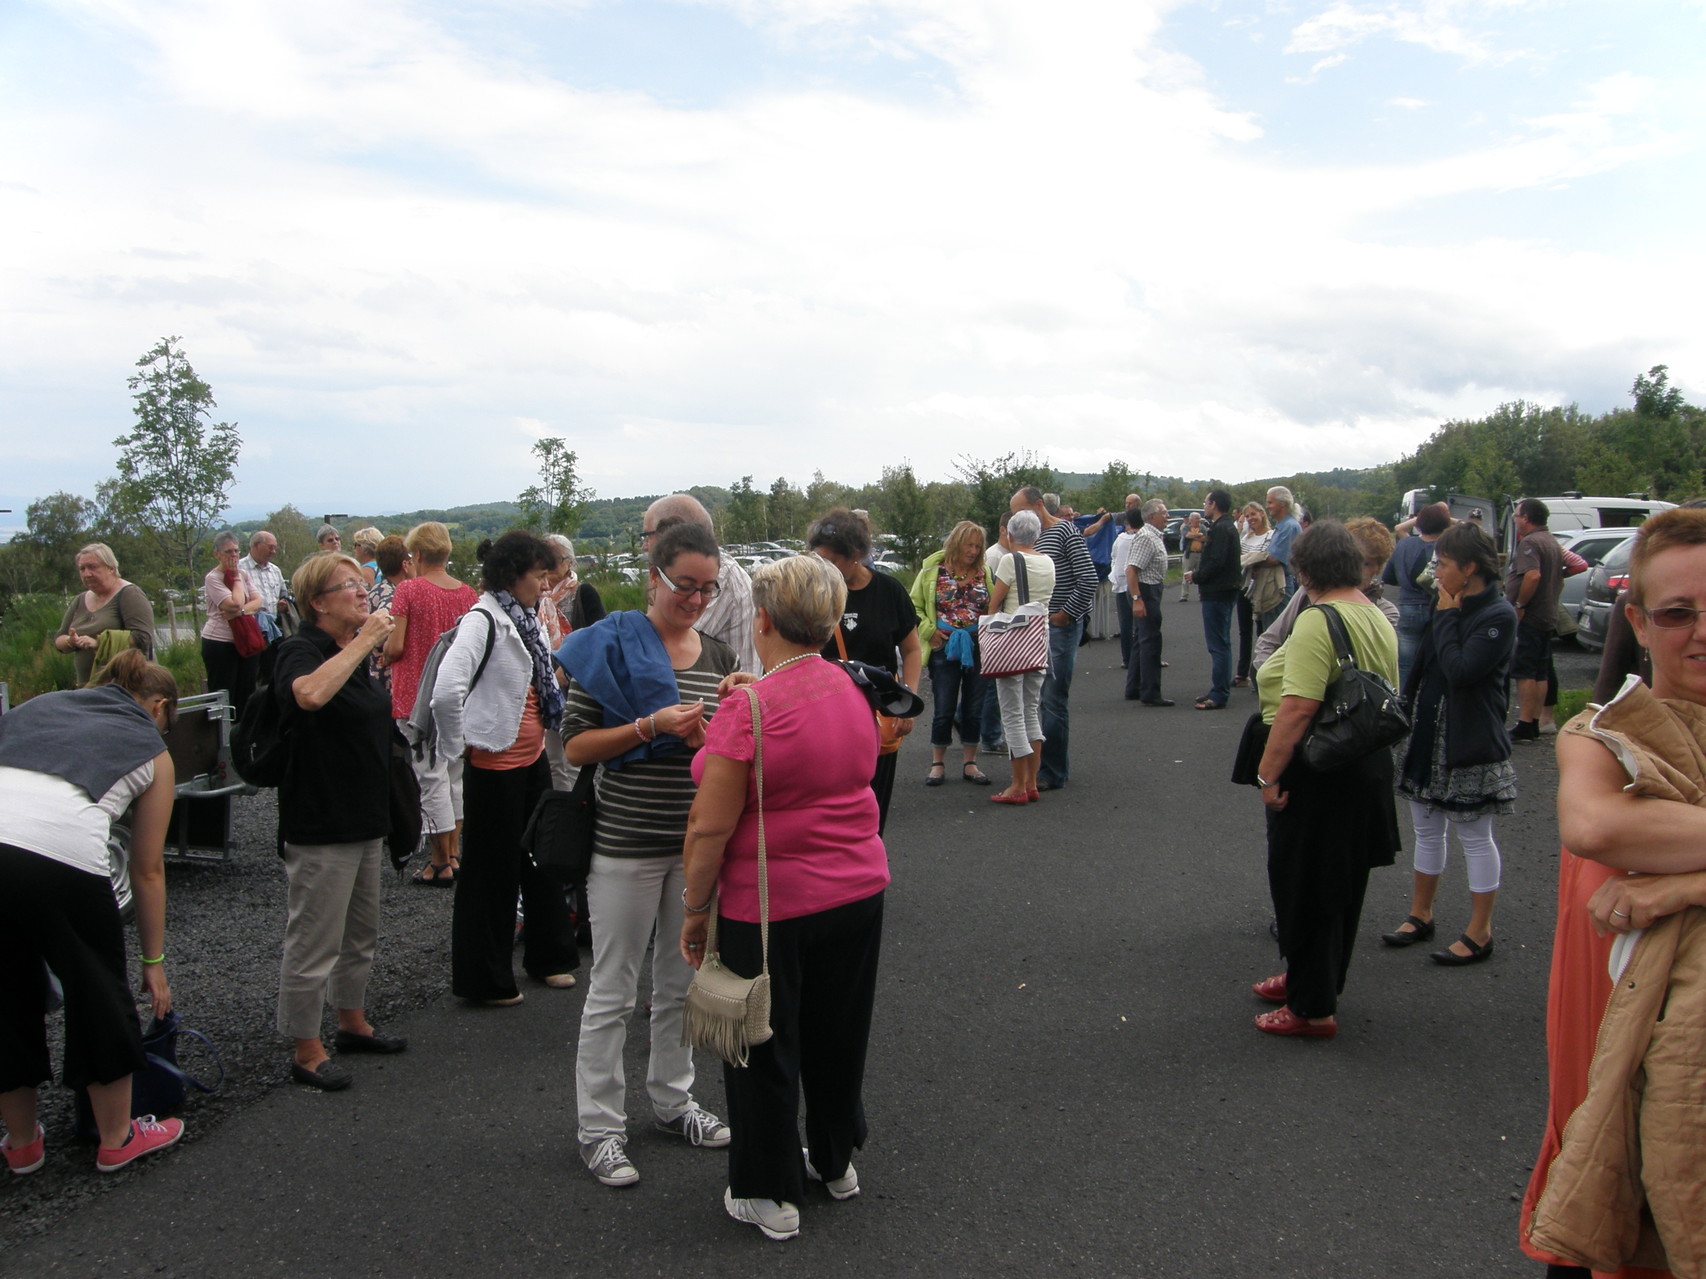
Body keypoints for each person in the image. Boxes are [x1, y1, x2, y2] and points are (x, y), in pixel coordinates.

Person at [680, 554, 890, 1241]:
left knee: (762, 1042)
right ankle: (834, 1161)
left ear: (762, 620)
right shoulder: (854, 687)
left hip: (770, 903)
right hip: (857, 887)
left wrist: (693, 908)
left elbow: (711, 823)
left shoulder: (748, 708)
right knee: (839, 1029)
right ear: (829, 621)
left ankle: (767, 1189)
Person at [1519, 506, 1706, 1277]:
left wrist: (1678, 887)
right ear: (1636, 618)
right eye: (1677, 614)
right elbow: (1595, 826)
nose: (1700, 631)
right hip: (1600, 1072)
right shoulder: (1600, 738)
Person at [560, 522, 738, 1189]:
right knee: (611, 988)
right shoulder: (609, 645)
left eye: (707, 588)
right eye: (683, 586)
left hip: (694, 845)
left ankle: (671, 1099)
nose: (694, 599)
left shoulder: (718, 654)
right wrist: (651, 725)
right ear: (653, 578)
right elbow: (575, 747)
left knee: (679, 982)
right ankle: (599, 1129)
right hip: (626, 844)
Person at [0, 650, 186, 1173]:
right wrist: (154, 963)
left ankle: (21, 1146)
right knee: (97, 989)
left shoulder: (44, 704)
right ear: (158, 707)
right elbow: (147, 869)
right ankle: (116, 1137)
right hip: (59, 852)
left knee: (6, 992)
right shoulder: (151, 747)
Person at [1247, 521, 1401, 1037]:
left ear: (1305, 569)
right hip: (1360, 764)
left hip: (1318, 765)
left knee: (1305, 884)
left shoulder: (1319, 618)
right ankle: (1308, 979)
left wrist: (1267, 773)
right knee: (1336, 885)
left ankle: (1312, 1008)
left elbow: (1296, 709)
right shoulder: (1374, 613)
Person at [271, 552, 408, 1090]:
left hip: (364, 814)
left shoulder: (351, 651)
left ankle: (352, 1021)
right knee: (313, 939)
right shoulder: (298, 650)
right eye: (347, 585)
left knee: (360, 932)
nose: (361, 591)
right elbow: (309, 695)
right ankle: (306, 1047)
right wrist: (363, 641)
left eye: (362, 582)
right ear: (316, 602)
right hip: (321, 820)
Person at [430, 531, 580, 1006]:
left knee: (540, 861)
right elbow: (445, 691)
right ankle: (485, 980)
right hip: (494, 764)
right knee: (491, 873)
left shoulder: (525, 616)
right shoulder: (483, 619)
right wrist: (459, 748)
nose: (544, 582)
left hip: (530, 759)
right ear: (514, 576)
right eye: (538, 575)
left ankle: (550, 957)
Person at [1379, 522, 1516, 964]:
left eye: (1443, 564)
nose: (1434, 571)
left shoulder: (1497, 615)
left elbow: (1461, 671)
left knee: (1474, 835)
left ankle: (1481, 931)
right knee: (1425, 828)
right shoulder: (1447, 604)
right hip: (1427, 732)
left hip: (1467, 740)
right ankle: (1421, 914)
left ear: (1470, 569)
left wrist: (1447, 616)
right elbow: (1421, 667)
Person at [809, 509, 922, 829]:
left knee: (872, 812)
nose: (823, 569)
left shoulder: (889, 592)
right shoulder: (813, 593)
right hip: (824, 717)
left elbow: (912, 650)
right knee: (827, 815)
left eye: (832, 562)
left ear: (857, 555)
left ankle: (870, 878)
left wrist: (908, 702)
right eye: (818, 560)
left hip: (878, 715)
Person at [384, 521, 479, 886]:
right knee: (454, 775)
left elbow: (396, 645)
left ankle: (439, 860)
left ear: (418, 555)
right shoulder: (468, 594)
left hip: (416, 696)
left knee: (429, 776)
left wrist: (381, 650)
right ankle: (453, 851)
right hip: (456, 696)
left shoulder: (408, 590)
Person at [1007, 488, 1096, 790]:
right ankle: (1034, 770)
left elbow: (1088, 577)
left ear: (1039, 505)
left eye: (1021, 509)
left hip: (1058, 626)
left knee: (1053, 699)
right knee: (1035, 700)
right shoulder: (1034, 538)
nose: (1018, 516)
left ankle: (1052, 771)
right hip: (1036, 627)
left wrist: (1066, 614)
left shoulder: (1065, 531)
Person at [909, 521, 992, 788]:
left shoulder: (984, 571)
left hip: (978, 645)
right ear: (956, 543)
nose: (973, 550)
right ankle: (937, 763)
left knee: (974, 708)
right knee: (944, 708)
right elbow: (913, 606)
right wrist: (929, 631)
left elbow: (993, 604)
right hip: (943, 647)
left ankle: (970, 763)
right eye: (969, 544)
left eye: (977, 546)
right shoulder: (933, 570)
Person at [644, 494, 760, 674]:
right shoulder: (710, 570)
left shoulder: (719, 577)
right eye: (685, 587)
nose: (644, 546)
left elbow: (665, 644)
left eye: (647, 535)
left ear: (673, 533)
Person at [986, 510, 1055, 803]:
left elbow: (995, 602)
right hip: (1039, 641)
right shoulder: (1048, 561)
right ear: (1037, 534)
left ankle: (1017, 785)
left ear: (1010, 534)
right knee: (1031, 711)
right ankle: (1031, 782)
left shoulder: (1009, 560)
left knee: (1012, 714)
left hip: (1012, 643)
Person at [538, 534, 606, 789]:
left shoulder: (583, 593)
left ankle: (578, 810)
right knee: (553, 758)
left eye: (551, 563)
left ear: (568, 562)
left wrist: (567, 668)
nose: (546, 570)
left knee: (574, 757)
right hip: (549, 686)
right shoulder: (538, 595)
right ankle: (560, 811)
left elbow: (599, 638)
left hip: (576, 684)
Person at [53, 543, 155, 687]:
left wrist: (99, 644)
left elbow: (143, 638)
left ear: (111, 568)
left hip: (124, 687)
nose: (86, 573)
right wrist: (71, 641)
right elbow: (59, 640)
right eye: (82, 569)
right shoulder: (79, 600)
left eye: (92, 567)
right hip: (87, 688)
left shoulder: (130, 594)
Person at [1505, 498, 1565, 742]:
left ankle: (1525, 723)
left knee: (1524, 670)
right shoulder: (1552, 541)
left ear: (1526, 518)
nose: (1516, 520)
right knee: (1541, 671)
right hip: (1547, 614)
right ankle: (1537, 720)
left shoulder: (1530, 543)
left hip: (1530, 616)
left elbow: (1532, 575)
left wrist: (1519, 604)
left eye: (1517, 516)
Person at [1383, 502, 1450, 688]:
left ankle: (1402, 704)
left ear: (1419, 523)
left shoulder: (1404, 545)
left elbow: (1389, 576)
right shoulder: (1447, 547)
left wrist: (1421, 519)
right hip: (1438, 607)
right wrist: (1445, 517)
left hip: (1408, 607)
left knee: (1405, 665)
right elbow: (1466, 527)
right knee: (1436, 665)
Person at [201, 530, 265, 718]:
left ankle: (245, 734)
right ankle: (221, 737)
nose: (234, 556)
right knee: (223, 691)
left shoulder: (244, 574)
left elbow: (257, 601)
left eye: (236, 551)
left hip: (245, 640)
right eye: (228, 552)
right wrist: (235, 579)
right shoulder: (213, 578)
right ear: (217, 554)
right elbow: (233, 603)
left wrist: (242, 612)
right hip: (220, 642)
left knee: (247, 690)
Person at [1190, 490, 1241, 710]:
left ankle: (1219, 693)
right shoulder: (1227, 527)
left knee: (1218, 644)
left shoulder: (1221, 529)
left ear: (1215, 504)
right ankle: (1218, 688)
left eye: (1206, 502)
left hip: (1218, 592)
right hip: (1225, 591)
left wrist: (1197, 576)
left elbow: (1216, 562)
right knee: (1221, 643)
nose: (1204, 506)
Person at [1124, 499, 1173, 706]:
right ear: (1152, 516)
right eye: (1164, 513)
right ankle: (1150, 691)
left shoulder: (1153, 536)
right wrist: (1137, 599)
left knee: (1140, 640)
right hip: (1145, 590)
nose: (1167, 516)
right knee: (1151, 641)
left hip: (1150, 588)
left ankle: (1134, 686)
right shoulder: (1146, 537)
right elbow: (1131, 569)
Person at [1234, 503, 1276, 688]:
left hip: (1261, 589)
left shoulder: (1271, 535)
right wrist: (1253, 560)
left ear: (1262, 514)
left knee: (1262, 630)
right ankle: (1242, 673)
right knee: (1244, 631)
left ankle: (1261, 673)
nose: (1251, 518)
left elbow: (1265, 557)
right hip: (1244, 587)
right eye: (1247, 516)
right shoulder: (1246, 537)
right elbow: (1241, 560)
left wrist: (1251, 561)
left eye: (1253, 514)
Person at [1109, 508, 1142, 671]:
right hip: (1138, 587)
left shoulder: (1119, 540)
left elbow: (1114, 559)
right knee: (1142, 625)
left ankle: (1127, 659)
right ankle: (1142, 657)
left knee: (1125, 624)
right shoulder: (1143, 539)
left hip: (1121, 585)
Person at [239, 530, 286, 644]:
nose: (273, 551)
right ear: (255, 545)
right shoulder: (239, 568)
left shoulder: (275, 570)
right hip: (248, 631)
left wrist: (284, 602)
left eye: (275, 548)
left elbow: (283, 593)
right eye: (270, 547)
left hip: (273, 631)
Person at [1263, 486, 1303, 597]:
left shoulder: (1289, 527)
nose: (1267, 506)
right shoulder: (1283, 525)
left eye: (1270, 502)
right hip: (1275, 582)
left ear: (1282, 504)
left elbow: (1275, 559)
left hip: (1281, 586)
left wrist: (1252, 563)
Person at [1178, 513, 1204, 603]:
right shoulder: (1186, 527)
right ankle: (1184, 595)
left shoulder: (1202, 527)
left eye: (1199, 519)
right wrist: (1198, 535)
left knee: (1201, 574)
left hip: (1200, 554)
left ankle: (1202, 594)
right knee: (1186, 573)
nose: (1199, 520)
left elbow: (1205, 538)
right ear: (1191, 520)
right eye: (1197, 518)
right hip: (1189, 554)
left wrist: (1195, 536)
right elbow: (1187, 535)